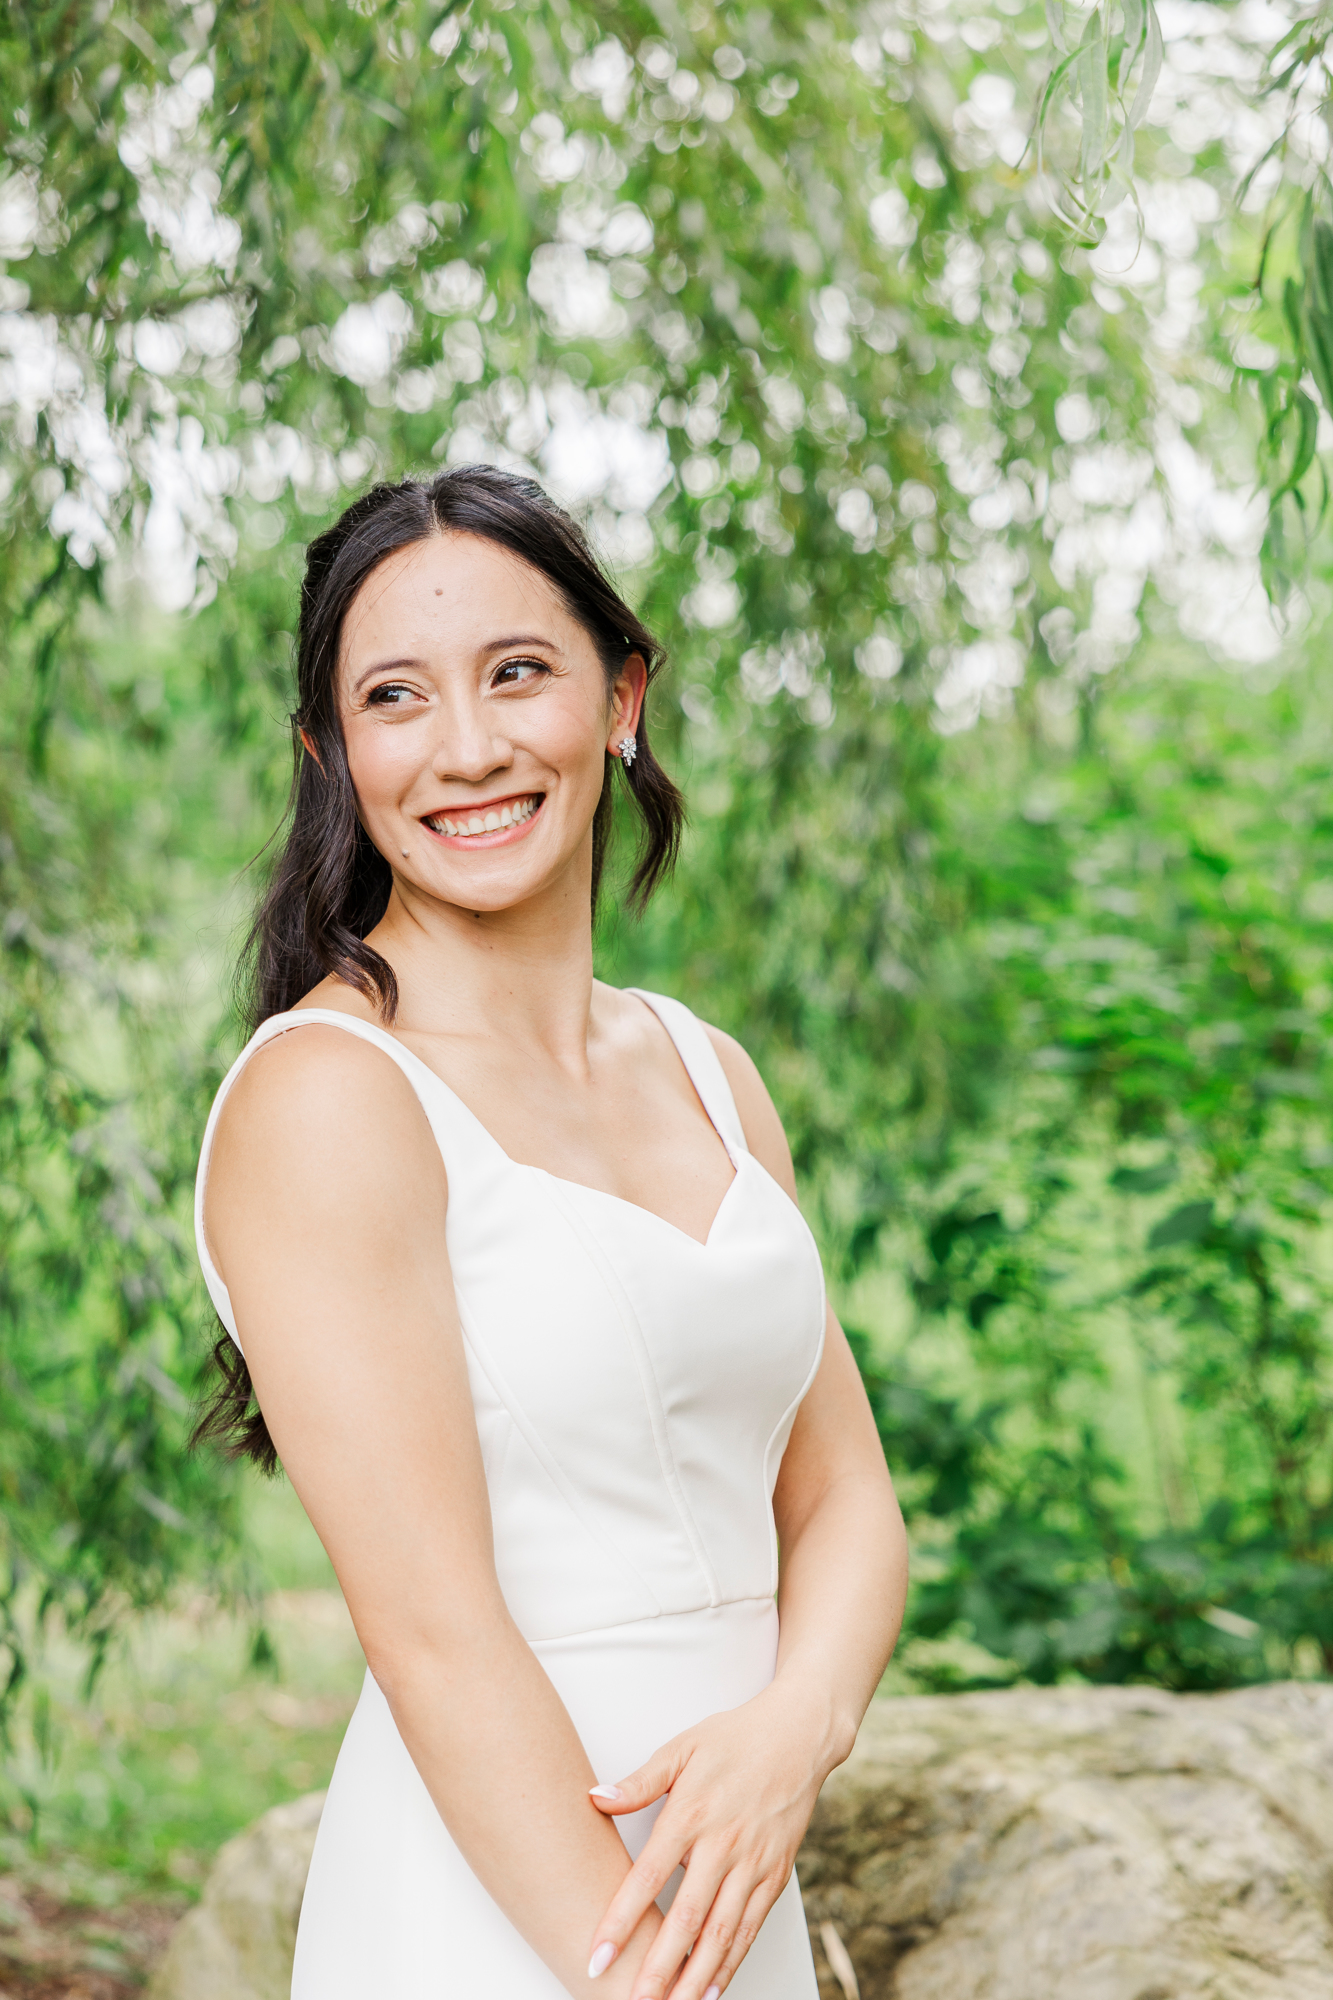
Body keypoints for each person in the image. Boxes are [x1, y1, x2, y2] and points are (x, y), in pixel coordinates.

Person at [193, 466, 907, 2000]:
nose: (467, 747)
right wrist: (650, 1976)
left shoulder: (706, 1071)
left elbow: (845, 1498)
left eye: (516, 671)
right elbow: (436, 1638)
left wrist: (795, 1730)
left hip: (730, 1887)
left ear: (620, 696)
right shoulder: (330, 1099)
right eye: (395, 697)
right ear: (332, 756)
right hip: (511, 1912)